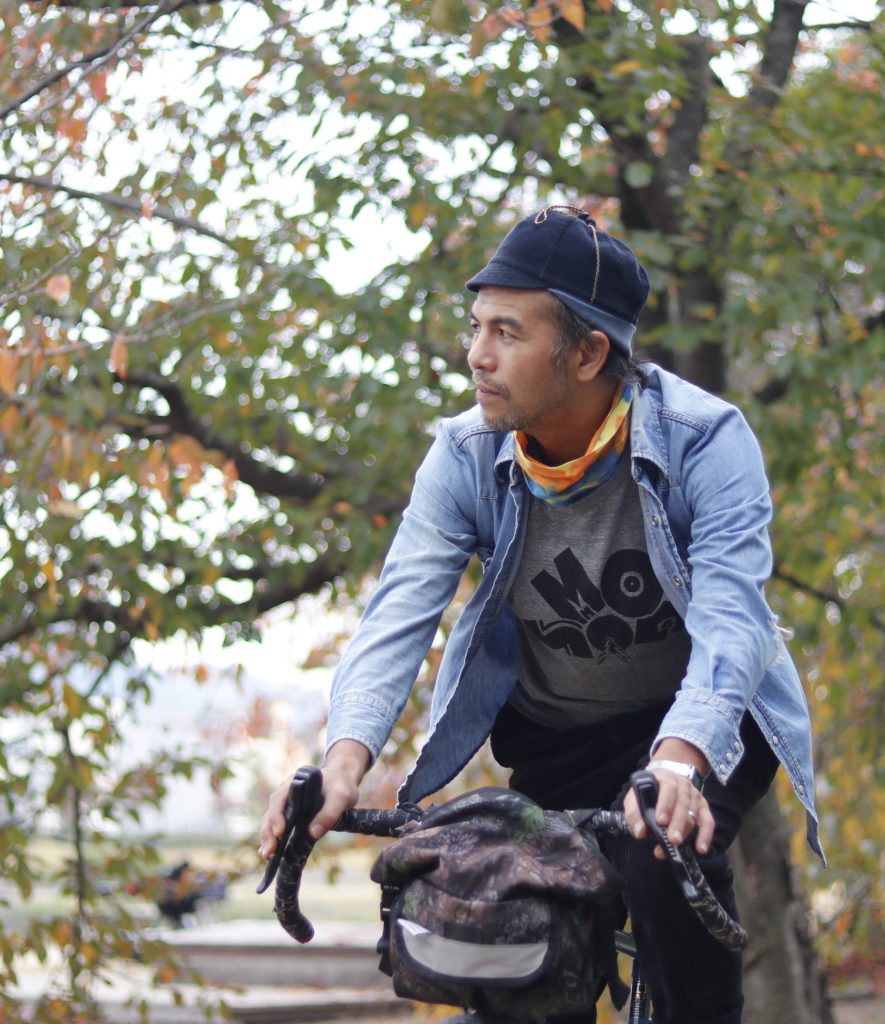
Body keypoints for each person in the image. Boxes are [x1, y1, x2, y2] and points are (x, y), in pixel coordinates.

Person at [260, 206, 823, 1024]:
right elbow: (397, 616)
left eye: (508, 333)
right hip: (560, 735)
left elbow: (732, 620)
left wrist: (677, 761)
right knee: (508, 915)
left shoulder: (706, 441)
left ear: (588, 353)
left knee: (664, 860)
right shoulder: (465, 454)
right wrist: (343, 763)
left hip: (703, 724)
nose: (477, 355)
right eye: (476, 328)